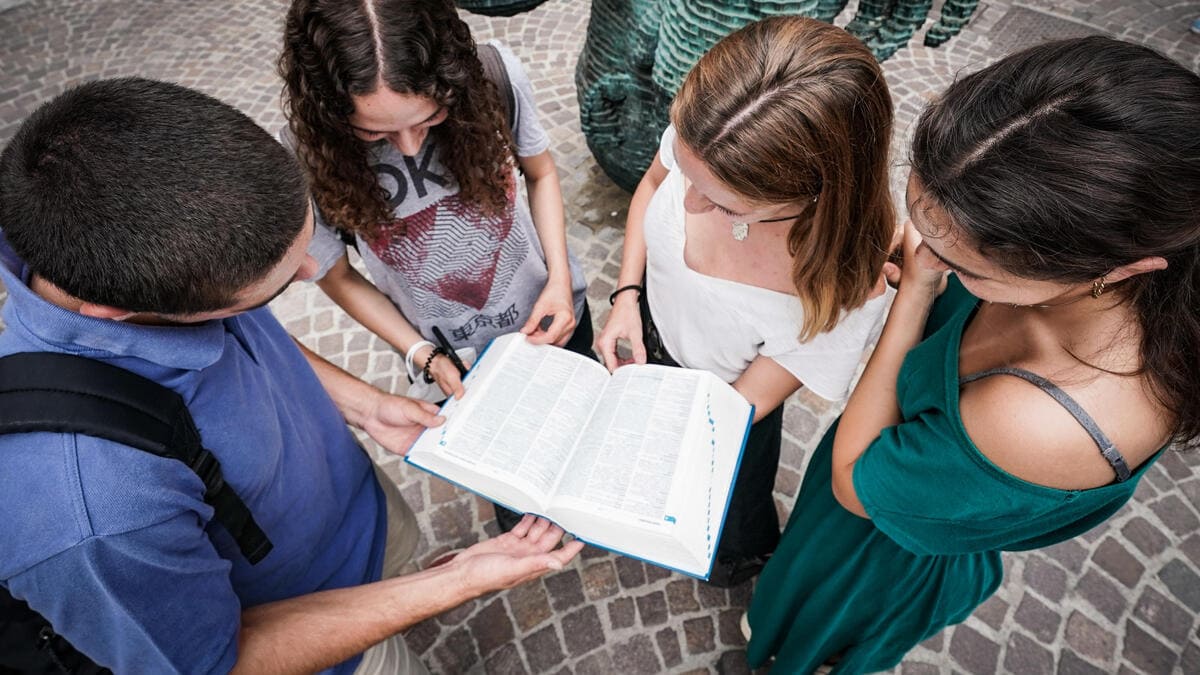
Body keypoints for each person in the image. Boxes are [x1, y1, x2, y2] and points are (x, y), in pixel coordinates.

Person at [0, 77, 582, 675]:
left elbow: (233, 340)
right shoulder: (91, 521)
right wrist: (456, 582)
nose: (312, 272)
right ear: (112, 308)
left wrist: (363, 405)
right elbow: (223, 662)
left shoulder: (136, 253)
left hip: (358, 517)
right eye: (274, 289)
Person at [745, 35, 1200, 672]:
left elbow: (857, 483)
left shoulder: (1050, 421)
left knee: (812, 634)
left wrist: (915, 297)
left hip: (884, 548)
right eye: (921, 223)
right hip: (879, 487)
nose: (920, 255)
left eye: (961, 264)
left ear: (1117, 269)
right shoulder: (1061, 263)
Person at [595, 16, 897, 587]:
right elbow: (653, 187)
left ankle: (739, 562)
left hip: (725, 401)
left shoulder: (839, 285)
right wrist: (626, 296)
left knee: (731, 515)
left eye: (728, 207)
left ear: (816, 195)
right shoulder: (708, 138)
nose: (689, 208)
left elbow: (743, 405)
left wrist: (659, 435)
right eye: (692, 179)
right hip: (647, 331)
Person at [279, 0, 593, 531]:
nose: (409, 145)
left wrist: (559, 281)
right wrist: (420, 353)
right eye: (374, 134)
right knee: (509, 477)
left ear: (453, 80)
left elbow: (540, 175)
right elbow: (336, 274)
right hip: (456, 357)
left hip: (555, 316)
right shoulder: (304, 151)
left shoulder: (494, 77)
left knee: (579, 435)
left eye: (431, 117)